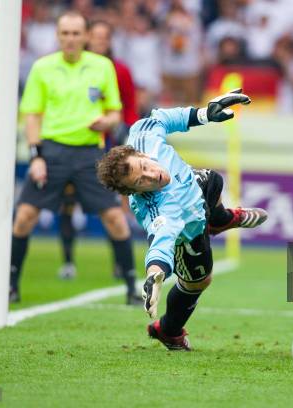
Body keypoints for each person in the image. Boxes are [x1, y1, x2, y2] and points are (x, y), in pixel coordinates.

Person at [96, 89, 268, 351]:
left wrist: (204, 113)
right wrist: (155, 275)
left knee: (213, 180)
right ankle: (168, 330)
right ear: (135, 192)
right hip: (188, 233)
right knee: (199, 281)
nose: (151, 176)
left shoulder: (144, 134)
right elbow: (161, 242)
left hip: (194, 188)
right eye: (140, 182)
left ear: (141, 154)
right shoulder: (158, 210)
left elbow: (165, 118)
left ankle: (220, 220)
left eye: (144, 167)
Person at [10, 11, 140, 305]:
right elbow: (32, 115)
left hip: (89, 155)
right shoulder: (42, 67)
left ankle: (132, 288)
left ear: (86, 36)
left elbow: (115, 112)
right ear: (58, 36)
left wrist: (107, 123)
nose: (70, 39)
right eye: (65, 33)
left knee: (116, 218)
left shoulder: (102, 67)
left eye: (75, 33)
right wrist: (36, 156)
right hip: (52, 151)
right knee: (24, 217)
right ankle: (11, 285)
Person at [56, 19, 140, 281]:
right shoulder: (73, 69)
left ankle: (120, 265)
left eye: (105, 37)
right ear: (87, 37)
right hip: (75, 145)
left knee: (112, 207)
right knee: (67, 203)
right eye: (96, 36)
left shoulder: (119, 70)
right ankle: (68, 261)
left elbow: (129, 106)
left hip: (109, 146)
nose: (100, 41)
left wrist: (126, 133)